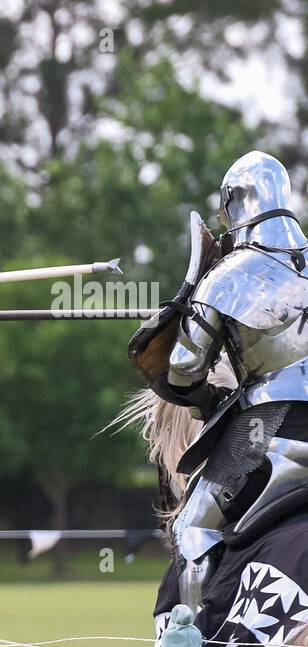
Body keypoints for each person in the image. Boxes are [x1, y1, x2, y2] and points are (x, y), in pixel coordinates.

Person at [132, 149, 308, 604]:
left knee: (192, 529)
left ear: (234, 203)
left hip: (265, 426)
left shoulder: (228, 276)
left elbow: (185, 371)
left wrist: (208, 395)